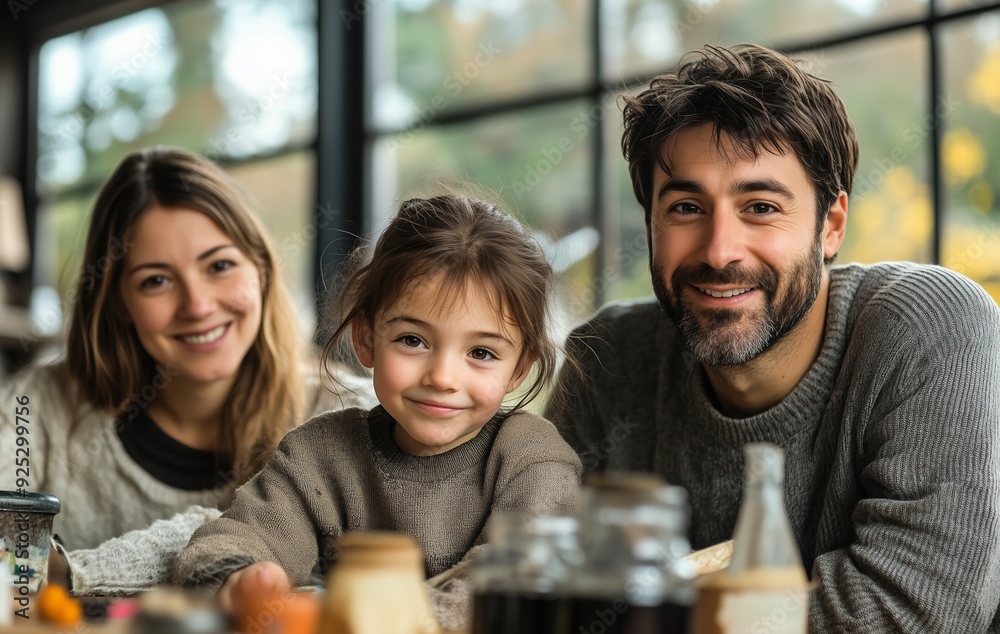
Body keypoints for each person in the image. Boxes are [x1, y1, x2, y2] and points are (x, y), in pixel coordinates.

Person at [545, 44, 1000, 632]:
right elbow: (537, 582)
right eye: (686, 207)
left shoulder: (928, 327)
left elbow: (914, 611)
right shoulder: (607, 361)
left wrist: (655, 609)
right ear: (651, 224)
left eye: (760, 207)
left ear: (830, 226)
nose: (718, 251)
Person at [172, 193, 582, 630]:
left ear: (519, 368)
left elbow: (513, 581)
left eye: (481, 352)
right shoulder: (321, 453)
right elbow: (232, 539)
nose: (443, 377)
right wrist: (241, 579)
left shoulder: (532, 459)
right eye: (412, 340)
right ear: (366, 338)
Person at [0, 147, 375, 594]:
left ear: (261, 270)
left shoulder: (351, 415)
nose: (197, 306)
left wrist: (63, 571)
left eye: (219, 266)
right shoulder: (37, 407)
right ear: (119, 301)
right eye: (156, 280)